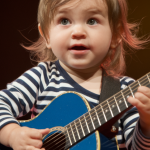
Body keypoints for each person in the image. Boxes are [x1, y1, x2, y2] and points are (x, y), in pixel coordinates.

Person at [0, 0, 150, 149]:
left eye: (92, 21)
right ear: (46, 35)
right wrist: (12, 133)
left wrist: (146, 124)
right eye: (64, 21)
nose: (78, 32)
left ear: (116, 34)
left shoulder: (128, 91)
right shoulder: (42, 76)